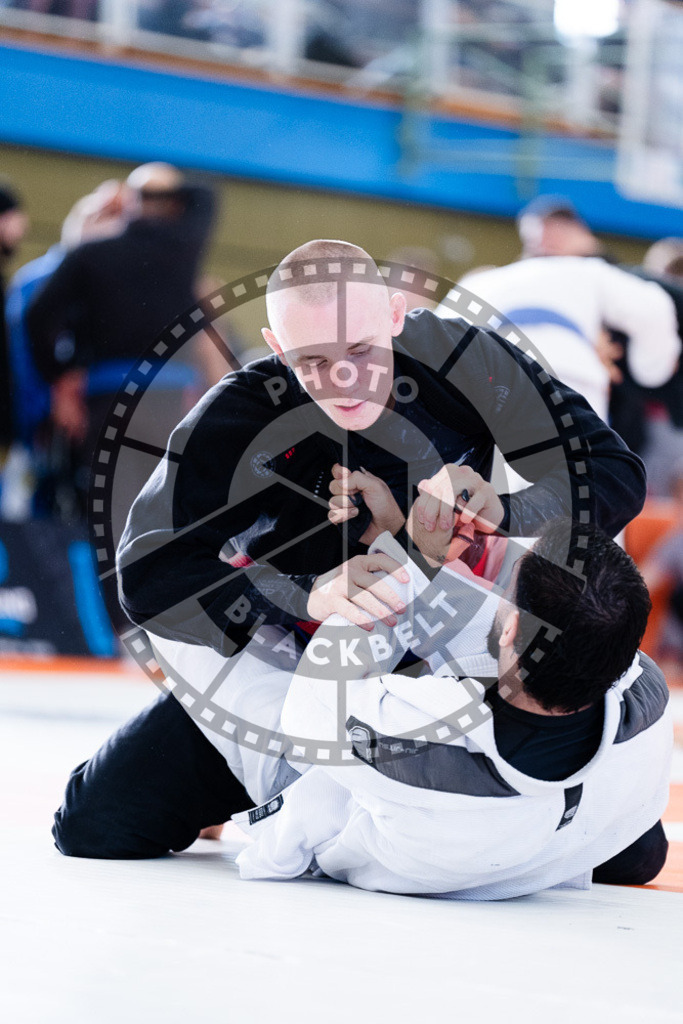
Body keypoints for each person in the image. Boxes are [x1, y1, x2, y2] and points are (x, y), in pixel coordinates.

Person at [52, 238, 647, 860]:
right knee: (96, 826)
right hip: (291, 660)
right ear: (278, 348)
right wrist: (306, 596)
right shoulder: (242, 411)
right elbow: (146, 573)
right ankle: (254, 780)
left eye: (362, 350)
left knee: (627, 853)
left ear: (395, 315)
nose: (343, 380)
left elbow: (611, 471)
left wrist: (507, 510)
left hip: (438, 649)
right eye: (311, 361)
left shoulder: (462, 361)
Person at [233, 517, 672, 898]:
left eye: (507, 588)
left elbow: (310, 710)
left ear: (513, 625)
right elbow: (530, 636)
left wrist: (392, 573)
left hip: (421, 853)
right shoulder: (647, 696)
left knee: (227, 672)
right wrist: (420, 562)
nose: (495, 591)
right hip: (554, 842)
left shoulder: (419, 736)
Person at [25, 162, 216, 527]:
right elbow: (206, 195)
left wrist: (59, 375)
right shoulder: (185, 248)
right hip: (169, 406)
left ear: (131, 202)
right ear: (175, 204)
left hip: (105, 403)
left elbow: (38, 316)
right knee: (162, 514)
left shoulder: (90, 253)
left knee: (104, 515)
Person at [436, 254, 680, 423]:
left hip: (488, 381)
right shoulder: (583, 269)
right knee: (574, 481)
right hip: (568, 373)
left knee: (488, 485)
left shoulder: (477, 282)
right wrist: (651, 369)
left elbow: (430, 342)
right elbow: (653, 308)